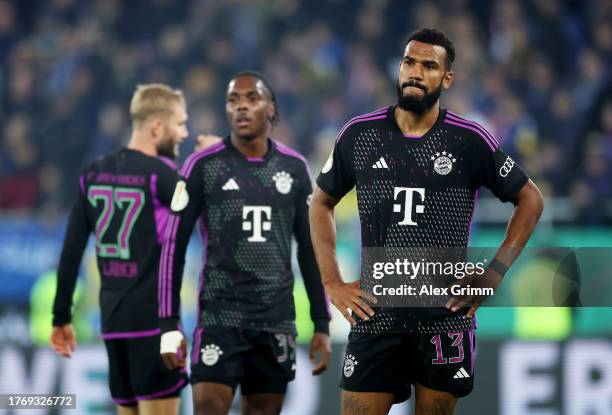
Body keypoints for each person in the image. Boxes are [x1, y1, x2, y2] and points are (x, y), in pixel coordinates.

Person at [309, 28, 544, 415]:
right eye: (409, 62)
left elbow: (530, 198)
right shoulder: (360, 134)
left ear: (446, 78)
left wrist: (493, 275)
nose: (416, 72)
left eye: (429, 65)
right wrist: (331, 281)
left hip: (444, 317)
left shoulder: (469, 140)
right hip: (376, 314)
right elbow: (320, 203)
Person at [159, 71, 331, 415]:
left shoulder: (294, 169)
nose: (241, 107)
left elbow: (311, 250)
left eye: (251, 99)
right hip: (219, 319)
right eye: (233, 101)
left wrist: (321, 322)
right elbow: (172, 247)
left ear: (270, 108)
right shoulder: (202, 166)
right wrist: (168, 325)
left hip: (274, 322)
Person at [51, 83, 190, 415]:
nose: (184, 133)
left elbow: (71, 250)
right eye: (180, 124)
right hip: (155, 326)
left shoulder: (92, 174)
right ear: (157, 126)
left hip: (114, 325)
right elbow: (207, 210)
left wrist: (61, 316)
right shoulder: (162, 177)